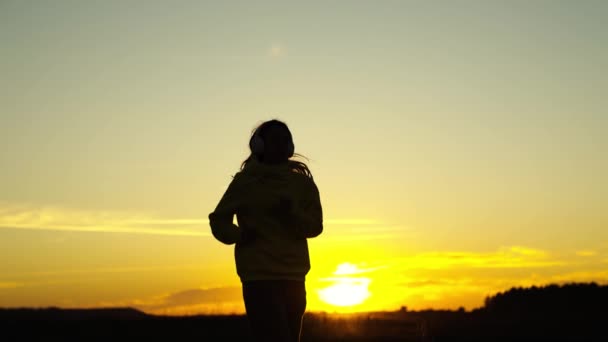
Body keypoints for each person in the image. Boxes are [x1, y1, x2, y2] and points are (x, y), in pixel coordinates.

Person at [208, 119, 323, 342]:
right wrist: (239, 235)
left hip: (294, 276)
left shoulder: (302, 184)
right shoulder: (245, 182)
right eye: (274, 140)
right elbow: (218, 220)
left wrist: (292, 214)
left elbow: (315, 227)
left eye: (285, 140)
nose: (281, 145)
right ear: (258, 145)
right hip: (258, 276)